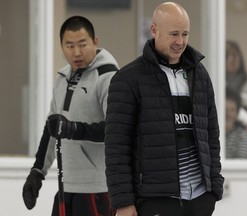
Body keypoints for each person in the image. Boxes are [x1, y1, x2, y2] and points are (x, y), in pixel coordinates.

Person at [105, 2, 224, 216]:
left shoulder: (200, 74)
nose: (180, 42)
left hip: (200, 200)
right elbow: (117, 148)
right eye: (174, 34)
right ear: (154, 30)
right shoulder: (127, 79)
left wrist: (214, 188)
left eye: (185, 34)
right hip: (154, 200)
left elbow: (211, 134)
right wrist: (123, 201)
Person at [22, 16, 119, 216]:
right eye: (70, 45)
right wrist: (37, 173)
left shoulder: (108, 76)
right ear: (61, 46)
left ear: (95, 42)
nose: (76, 52)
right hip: (66, 187)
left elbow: (115, 130)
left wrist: (73, 129)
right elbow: (51, 129)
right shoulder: (62, 77)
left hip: (97, 188)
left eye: (83, 44)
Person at [225, 87, 247, 159]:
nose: (228, 114)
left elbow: (240, 163)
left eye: (232, 110)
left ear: (237, 114)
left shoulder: (242, 135)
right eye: (225, 109)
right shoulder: (208, 134)